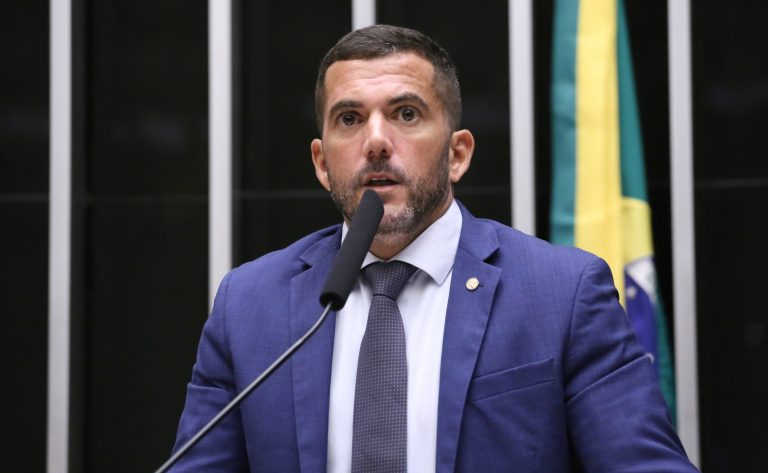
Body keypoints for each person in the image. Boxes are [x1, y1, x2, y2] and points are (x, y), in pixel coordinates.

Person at [170, 25, 698, 472]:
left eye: (405, 113)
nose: (376, 141)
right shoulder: (249, 305)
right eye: (349, 119)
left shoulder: (562, 294)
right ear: (322, 163)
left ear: (457, 154)